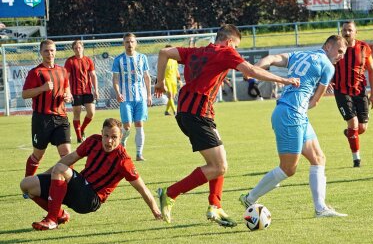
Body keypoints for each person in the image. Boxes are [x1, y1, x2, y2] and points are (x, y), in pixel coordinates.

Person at [154, 24, 300, 227]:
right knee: (218, 166)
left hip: (194, 112)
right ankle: (170, 193)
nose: (236, 51)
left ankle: (215, 206)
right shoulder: (225, 52)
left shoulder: (197, 51)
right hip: (197, 115)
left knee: (220, 162)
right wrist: (284, 80)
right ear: (230, 42)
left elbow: (164, 53)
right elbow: (250, 70)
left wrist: (159, 82)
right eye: (236, 46)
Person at [239, 35, 349, 218]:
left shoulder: (300, 55)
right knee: (288, 169)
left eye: (343, 54)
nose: (340, 56)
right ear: (328, 46)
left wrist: (253, 69)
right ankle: (249, 198)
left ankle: (320, 208)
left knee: (318, 158)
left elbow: (272, 59)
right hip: (293, 114)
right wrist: (308, 98)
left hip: (292, 113)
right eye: (339, 51)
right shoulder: (328, 67)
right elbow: (315, 101)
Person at [20, 118, 162, 231]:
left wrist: (156, 211)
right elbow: (70, 158)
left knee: (60, 169)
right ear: (101, 133)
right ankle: (59, 215)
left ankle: (51, 220)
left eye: (114, 137)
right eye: (106, 136)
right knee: (26, 185)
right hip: (78, 187)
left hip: (90, 199)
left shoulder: (123, 160)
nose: (109, 141)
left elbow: (141, 188)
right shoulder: (93, 141)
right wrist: (45, 176)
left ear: (121, 137)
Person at [22, 39, 72, 178]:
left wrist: (68, 96)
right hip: (42, 119)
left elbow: (67, 89)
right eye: (46, 51)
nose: (49, 53)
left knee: (67, 153)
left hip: (61, 117)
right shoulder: (36, 72)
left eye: (52, 50)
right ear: (41, 52)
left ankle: (67, 184)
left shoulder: (62, 70)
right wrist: (42, 88)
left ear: (55, 51)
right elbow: (25, 94)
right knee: (38, 155)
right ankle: (27, 182)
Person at [332, 21, 373, 168]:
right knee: (353, 123)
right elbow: (326, 65)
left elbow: (371, 70)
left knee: (362, 128)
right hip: (341, 91)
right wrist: (326, 82)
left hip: (360, 91)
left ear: (355, 32)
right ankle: (356, 159)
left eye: (349, 30)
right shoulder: (336, 49)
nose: (346, 33)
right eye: (344, 30)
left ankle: (350, 133)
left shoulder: (364, 48)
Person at [112, 33, 152, 161]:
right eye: (127, 42)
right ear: (124, 43)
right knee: (127, 126)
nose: (130, 44)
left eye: (132, 41)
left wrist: (149, 95)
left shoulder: (142, 58)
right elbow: (115, 79)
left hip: (141, 97)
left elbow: (147, 77)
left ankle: (139, 153)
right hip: (126, 98)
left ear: (136, 43)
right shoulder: (118, 60)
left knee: (139, 124)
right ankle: (122, 141)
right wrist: (118, 93)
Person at [64, 40, 99, 143]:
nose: (78, 50)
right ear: (73, 50)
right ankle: (79, 137)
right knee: (77, 114)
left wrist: (96, 90)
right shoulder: (70, 61)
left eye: (79, 48)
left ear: (83, 48)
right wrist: (68, 92)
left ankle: (82, 129)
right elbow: (66, 78)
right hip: (75, 92)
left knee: (91, 113)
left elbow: (93, 75)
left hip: (87, 91)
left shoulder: (88, 60)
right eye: (75, 48)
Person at [164, 44, 182, 116]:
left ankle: (166, 111)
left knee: (173, 96)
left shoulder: (174, 59)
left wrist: (179, 80)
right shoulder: (164, 60)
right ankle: (175, 111)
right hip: (167, 79)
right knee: (170, 95)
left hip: (173, 80)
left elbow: (176, 70)